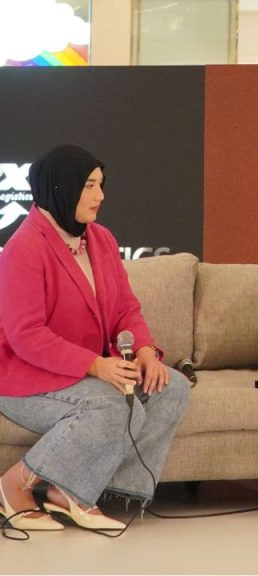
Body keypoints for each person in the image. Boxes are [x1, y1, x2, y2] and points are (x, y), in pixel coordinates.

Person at [0, 145, 191, 532]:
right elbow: (27, 336)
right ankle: (13, 485)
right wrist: (96, 365)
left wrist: (145, 350)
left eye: (101, 185)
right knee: (111, 403)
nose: (100, 196)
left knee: (171, 387)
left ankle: (84, 490)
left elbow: (125, 308)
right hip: (26, 378)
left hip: (85, 373)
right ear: (61, 187)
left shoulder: (100, 239)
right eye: (89, 186)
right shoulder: (24, 249)